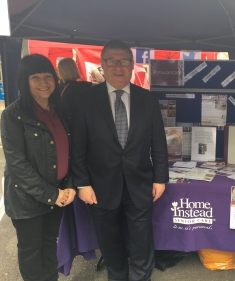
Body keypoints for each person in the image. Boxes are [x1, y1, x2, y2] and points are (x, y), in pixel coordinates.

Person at [71, 40, 169, 281]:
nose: (118, 66)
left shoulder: (148, 101)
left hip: (140, 185)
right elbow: (78, 147)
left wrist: (160, 178)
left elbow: (158, 144)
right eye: (111, 61)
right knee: (110, 245)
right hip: (100, 187)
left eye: (123, 61)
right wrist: (82, 184)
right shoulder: (85, 100)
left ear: (132, 65)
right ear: (102, 64)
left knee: (142, 245)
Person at [1, 54, 75, 281]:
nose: (44, 83)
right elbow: (17, 165)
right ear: (25, 81)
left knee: (50, 247)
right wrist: (52, 195)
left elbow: (69, 152)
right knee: (32, 253)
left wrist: (69, 186)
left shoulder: (60, 110)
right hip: (28, 200)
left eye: (47, 76)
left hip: (58, 194)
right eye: (36, 77)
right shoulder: (13, 115)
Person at [57, 57, 104, 123]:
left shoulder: (62, 86)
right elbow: (102, 84)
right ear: (74, 69)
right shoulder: (78, 86)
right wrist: (95, 71)